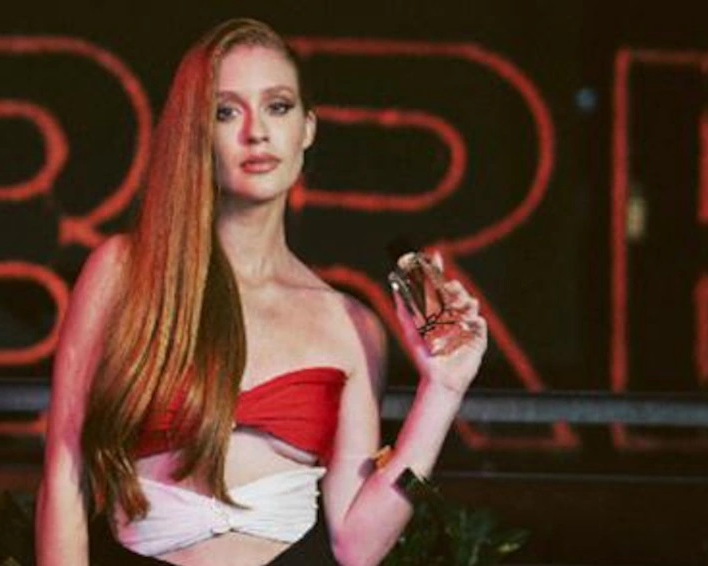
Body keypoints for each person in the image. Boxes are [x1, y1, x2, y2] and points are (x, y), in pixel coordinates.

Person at [36, 17, 487, 566]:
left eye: (278, 106)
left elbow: (358, 545)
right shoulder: (124, 272)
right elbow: (65, 473)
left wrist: (442, 391)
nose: (257, 132)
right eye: (226, 112)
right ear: (196, 133)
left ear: (307, 129)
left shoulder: (349, 325)